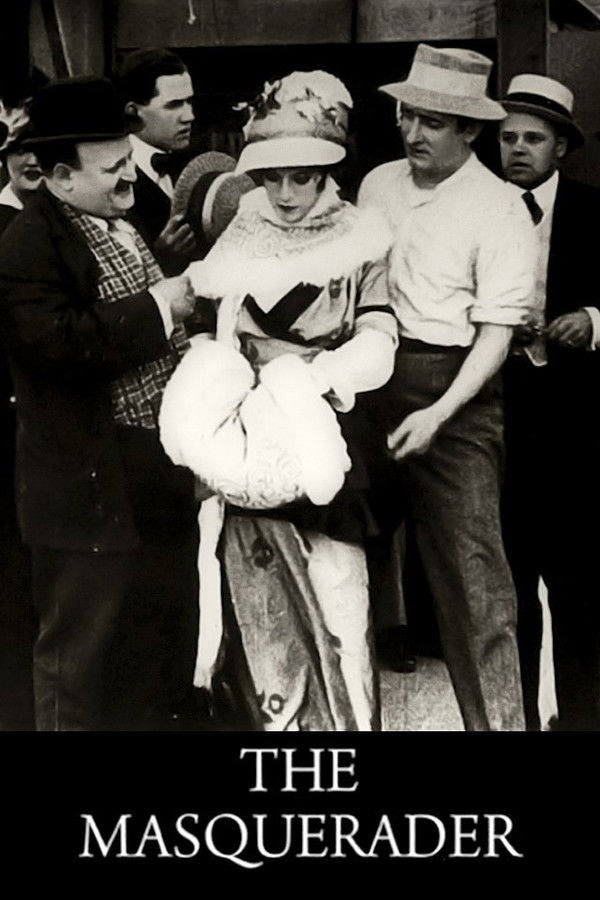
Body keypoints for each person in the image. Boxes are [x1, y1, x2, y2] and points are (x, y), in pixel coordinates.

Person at [162, 71, 399, 731]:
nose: (287, 193)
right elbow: (211, 329)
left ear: (328, 172)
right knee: (260, 617)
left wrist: (319, 376)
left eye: (303, 177)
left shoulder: (362, 238)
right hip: (248, 445)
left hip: (325, 431)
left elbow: (380, 338)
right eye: (273, 179)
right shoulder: (242, 231)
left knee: (339, 606)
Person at [0, 76, 200, 731]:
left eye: (126, 161)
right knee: (76, 665)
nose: (129, 177)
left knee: (147, 655)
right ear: (60, 177)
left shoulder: (115, 220)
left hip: (147, 481)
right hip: (84, 494)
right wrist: (160, 308)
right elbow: (58, 345)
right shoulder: (27, 244)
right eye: (113, 168)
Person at [358, 43, 534, 731]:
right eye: (407, 116)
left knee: (474, 583)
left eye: (432, 122)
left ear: (469, 130)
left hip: (455, 395)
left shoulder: (500, 208)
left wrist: (438, 413)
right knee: (346, 570)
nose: (413, 133)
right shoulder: (377, 185)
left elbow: (496, 336)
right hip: (369, 382)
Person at [499, 74, 600, 731]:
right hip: (499, 415)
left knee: (580, 585)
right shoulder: (478, 210)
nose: (517, 149)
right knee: (507, 588)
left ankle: (584, 718)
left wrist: (594, 319)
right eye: (507, 137)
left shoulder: (597, 211)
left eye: (533, 138)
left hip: (577, 422)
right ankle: (519, 724)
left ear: (560, 147)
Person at [115, 48, 196, 274]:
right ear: (133, 111)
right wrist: (158, 260)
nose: (189, 116)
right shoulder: (114, 178)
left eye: (189, 102)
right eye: (174, 105)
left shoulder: (194, 166)